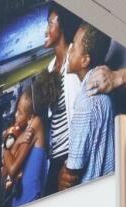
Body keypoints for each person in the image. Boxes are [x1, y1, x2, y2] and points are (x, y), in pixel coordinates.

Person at [59, 22, 117, 191]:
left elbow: (71, 174)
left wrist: (61, 179)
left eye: (74, 46)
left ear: (85, 60)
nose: (69, 51)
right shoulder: (102, 91)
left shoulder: (87, 101)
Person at [41, 2, 83, 194]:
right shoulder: (50, 67)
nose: (46, 30)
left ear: (62, 26)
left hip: (70, 157)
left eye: (50, 24)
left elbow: (79, 116)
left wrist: (72, 161)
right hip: (55, 158)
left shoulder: (74, 60)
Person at [1, 81, 49, 207]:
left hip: (30, 202)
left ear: (30, 117)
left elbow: (12, 170)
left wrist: (5, 145)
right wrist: (16, 143)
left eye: (20, 112)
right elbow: (4, 173)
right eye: (17, 109)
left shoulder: (36, 124)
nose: (16, 115)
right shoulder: (20, 133)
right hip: (18, 203)